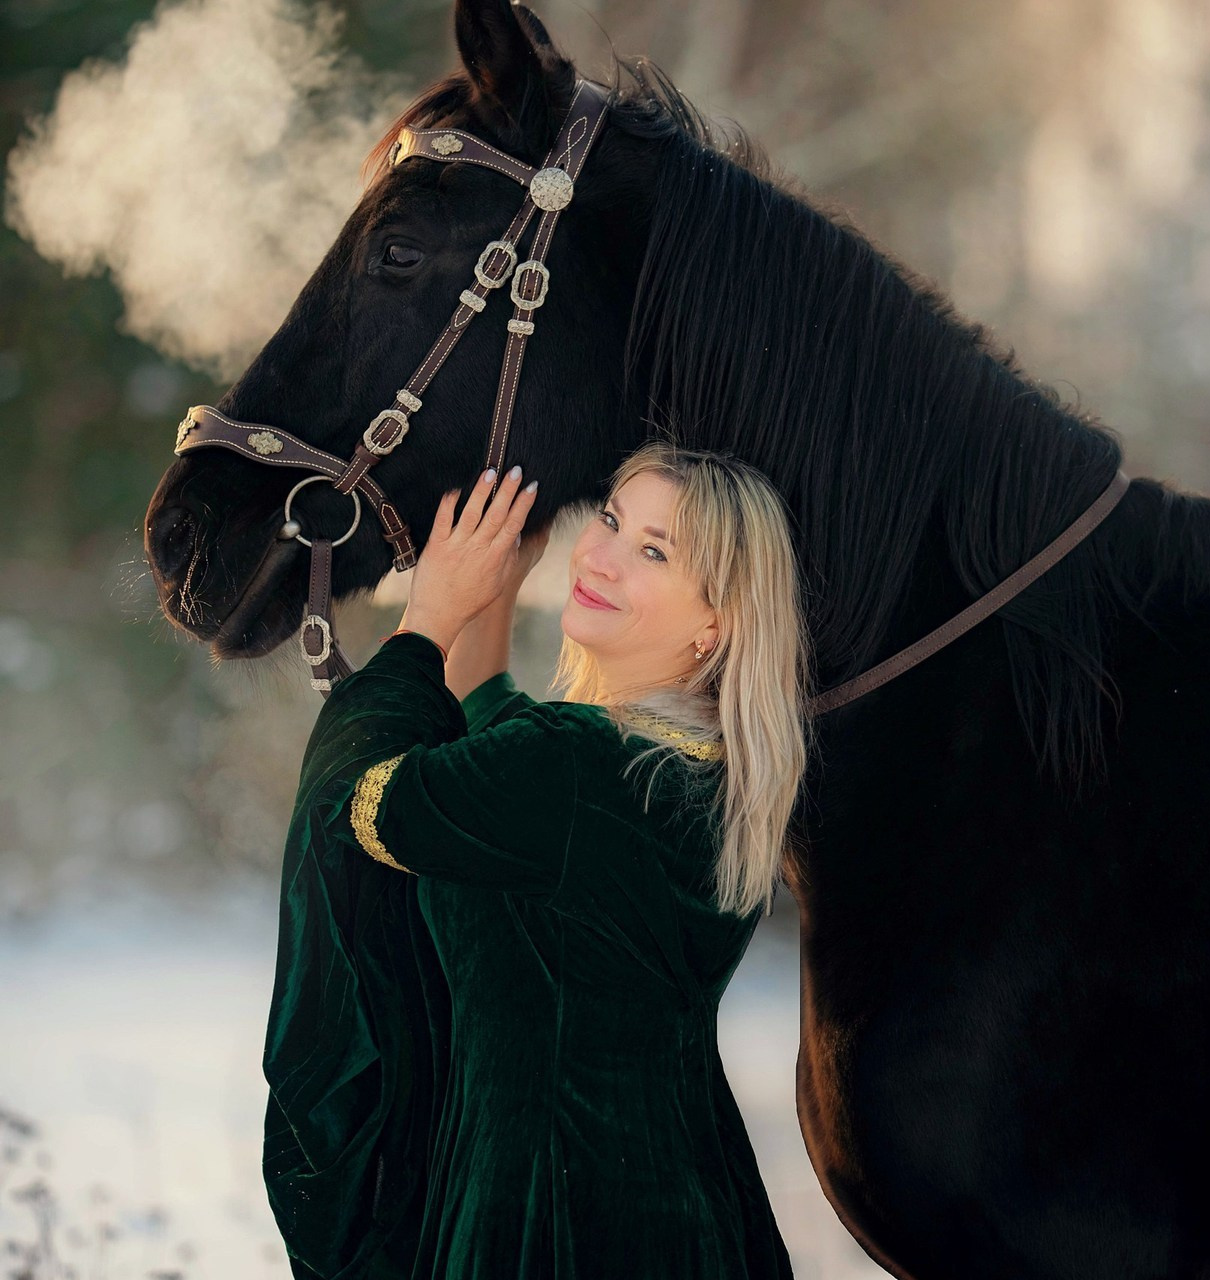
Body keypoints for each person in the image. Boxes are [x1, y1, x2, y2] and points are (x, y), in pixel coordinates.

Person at [261, 438, 813, 1279]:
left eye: (655, 552)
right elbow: (494, 736)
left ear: (717, 623)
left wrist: (428, 619)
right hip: (685, 1209)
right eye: (612, 521)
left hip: (549, 1220)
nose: (600, 557)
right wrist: (497, 586)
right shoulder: (707, 771)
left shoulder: (573, 766)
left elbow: (351, 808)